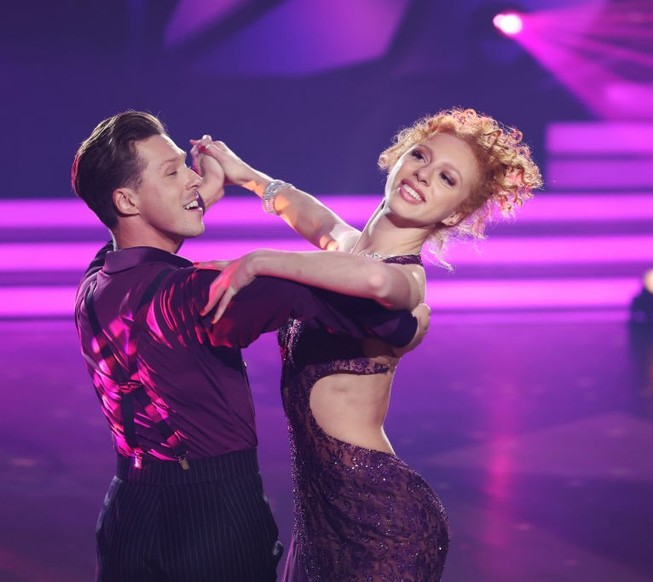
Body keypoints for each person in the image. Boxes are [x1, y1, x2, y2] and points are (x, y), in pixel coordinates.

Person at [72, 110, 425, 582]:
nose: (194, 179)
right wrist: (403, 324)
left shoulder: (98, 281)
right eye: (174, 172)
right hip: (214, 519)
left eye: (187, 166)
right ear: (126, 200)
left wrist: (192, 198)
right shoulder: (202, 293)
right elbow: (362, 308)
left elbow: (144, 246)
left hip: (128, 514)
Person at [194, 108, 543, 581]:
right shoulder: (353, 253)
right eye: (420, 155)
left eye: (446, 178)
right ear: (400, 155)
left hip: (379, 519)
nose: (423, 173)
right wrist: (250, 177)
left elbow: (377, 278)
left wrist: (260, 261)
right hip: (322, 510)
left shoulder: (406, 279)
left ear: (456, 212)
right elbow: (321, 223)